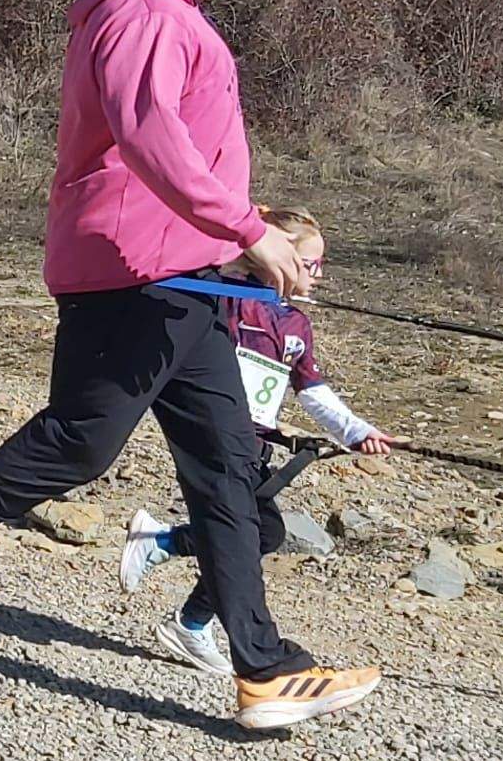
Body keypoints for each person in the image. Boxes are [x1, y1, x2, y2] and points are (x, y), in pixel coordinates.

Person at [0, 0, 381, 732]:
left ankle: (262, 668)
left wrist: (232, 244)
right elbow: (149, 132)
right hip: (134, 276)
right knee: (77, 447)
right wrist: (250, 230)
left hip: (187, 285)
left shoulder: (160, 12)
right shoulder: (141, 11)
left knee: (228, 474)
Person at [121, 206, 394, 673]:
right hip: (218, 432)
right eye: (309, 264)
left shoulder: (296, 325)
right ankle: (195, 620)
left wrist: (358, 431)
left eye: (320, 265)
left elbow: (312, 390)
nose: (318, 275)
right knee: (247, 534)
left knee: (264, 532)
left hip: (253, 444)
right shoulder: (229, 298)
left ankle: (167, 555)